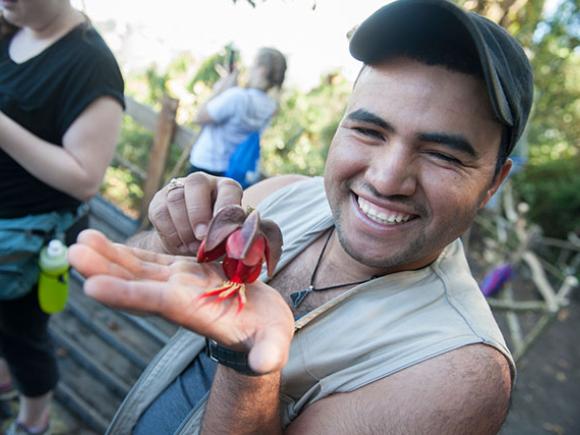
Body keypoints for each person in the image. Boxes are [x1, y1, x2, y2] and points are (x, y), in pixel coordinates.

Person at [69, 0, 534, 433]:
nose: (388, 179)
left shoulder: (458, 374)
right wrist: (173, 233)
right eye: (369, 130)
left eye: (444, 156)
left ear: (493, 182)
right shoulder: (282, 194)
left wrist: (251, 362)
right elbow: (128, 260)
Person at [0, 0, 124, 433]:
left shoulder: (89, 63)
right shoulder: (10, 28)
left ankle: (33, 420)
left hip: (30, 239)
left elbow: (85, 178)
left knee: (23, 335)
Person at [188, 46, 287, 182]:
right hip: (230, 172)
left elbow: (199, 117)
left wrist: (222, 87)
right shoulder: (271, 106)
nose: (249, 69)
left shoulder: (237, 97)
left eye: (253, 64)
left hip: (204, 164)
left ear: (262, 70)